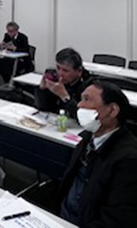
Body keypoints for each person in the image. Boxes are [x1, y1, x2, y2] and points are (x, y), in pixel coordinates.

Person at [59, 80, 137, 227]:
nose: (79, 105)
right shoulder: (87, 138)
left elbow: (117, 219)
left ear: (112, 110)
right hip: (63, 216)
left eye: (87, 99)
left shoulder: (129, 160)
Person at [35, 47, 91, 117]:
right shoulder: (56, 80)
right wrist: (42, 90)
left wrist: (64, 96)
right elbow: (43, 108)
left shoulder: (88, 87)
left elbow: (83, 116)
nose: (60, 73)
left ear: (79, 71)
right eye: (58, 68)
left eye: (65, 70)